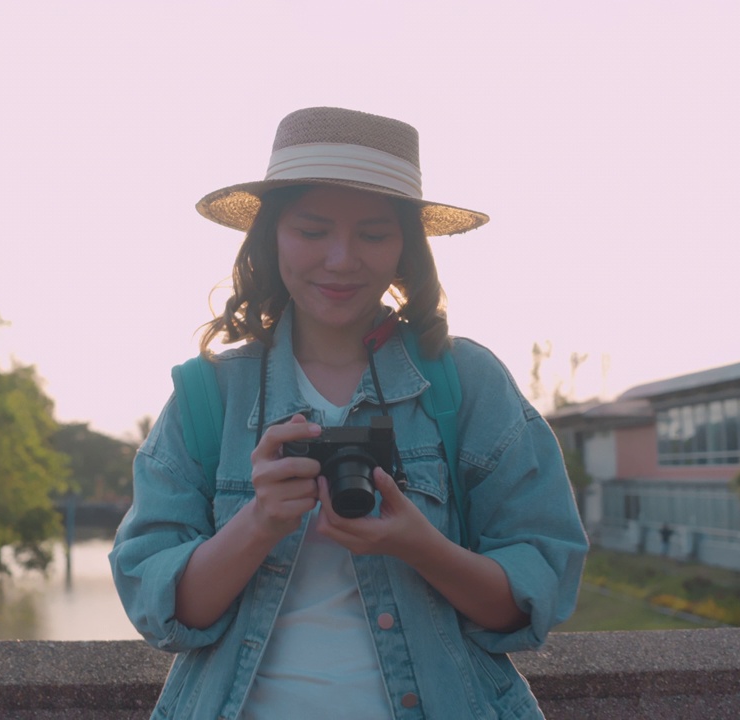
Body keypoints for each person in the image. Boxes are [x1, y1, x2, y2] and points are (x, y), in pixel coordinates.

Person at [109, 107, 587, 719]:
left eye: (373, 233)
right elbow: (168, 613)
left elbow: (529, 602)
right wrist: (258, 522)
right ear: (272, 236)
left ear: (404, 248)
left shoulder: (465, 383)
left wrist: (421, 546)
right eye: (312, 230)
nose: (340, 259)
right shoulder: (209, 396)